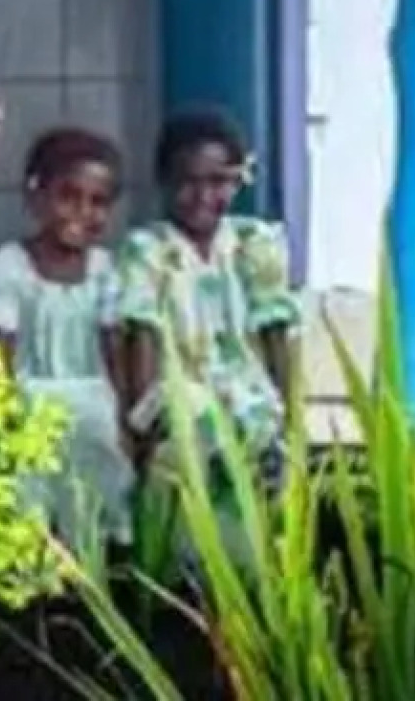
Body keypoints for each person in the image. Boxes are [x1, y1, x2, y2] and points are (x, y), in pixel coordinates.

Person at [117, 108, 300, 557]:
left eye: (218, 181)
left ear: (238, 182)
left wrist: (293, 421)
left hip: (249, 397)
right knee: (197, 451)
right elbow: (142, 333)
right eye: (187, 181)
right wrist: (139, 426)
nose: (202, 195)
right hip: (180, 398)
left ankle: (245, 594)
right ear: (164, 180)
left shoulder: (254, 244)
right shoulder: (148, 249)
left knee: (258, 496)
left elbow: (276, 332)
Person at [0, 126, 135, 545]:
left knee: (100, 495)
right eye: (69, 197)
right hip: (34, 402)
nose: (83, 212)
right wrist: (2, 421)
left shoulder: (104, 269)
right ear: (36, 198)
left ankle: (98, 572)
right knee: (36, 506)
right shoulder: (10, 266)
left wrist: (126, 419)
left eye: (98, 202)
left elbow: (113, 348)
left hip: (94, 406)